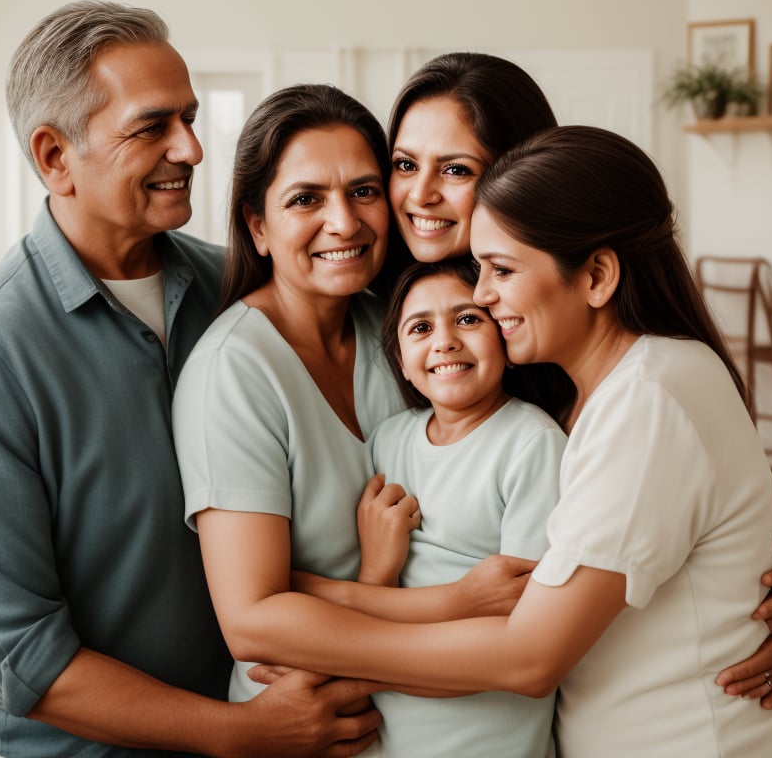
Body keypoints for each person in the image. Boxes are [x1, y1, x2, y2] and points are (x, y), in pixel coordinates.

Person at [0, 1, 392, 758]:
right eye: (152, 126)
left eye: (190, 118)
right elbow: (16, 655)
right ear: (53, 156)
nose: (193, 149)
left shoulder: (231, 289)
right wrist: (242, 733)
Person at [259, 125, 772, 755]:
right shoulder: (598, 393)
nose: (483, 295)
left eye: (501, 270)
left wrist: (326, 659)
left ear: (596, 275)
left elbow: (527, 657)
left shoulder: (648, 397)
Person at [375, 51, 772, 699]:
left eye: (456, 169)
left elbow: (533, 649)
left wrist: (752, 576)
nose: (420, 194)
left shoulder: (612, 371)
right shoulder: (381, 310)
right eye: (403, 164)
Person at [171, 84, 537, 714]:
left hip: (450, 715)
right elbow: (254, 622)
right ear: (257, 226)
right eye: (305, 199)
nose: (344, 222)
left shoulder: (404, 326)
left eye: (364, 191)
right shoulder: (232, 371)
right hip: (316, 721)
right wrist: (455, 609)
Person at [365, 256, 565, 757]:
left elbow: (518, 639)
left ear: (505, 339)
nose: (445, 340)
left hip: (487, 735)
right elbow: (366, 595)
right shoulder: (385, 443)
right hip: (390, 733)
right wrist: (378, 569)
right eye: (420, 328)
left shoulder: (531, 442)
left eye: (468, 318)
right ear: (402, 363)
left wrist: (362, 661)